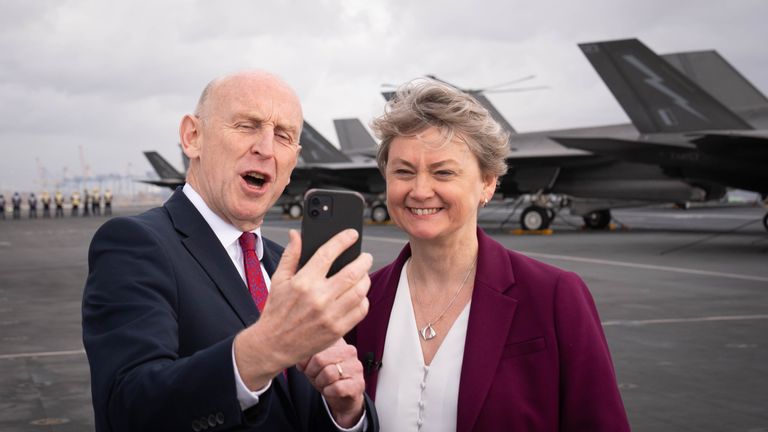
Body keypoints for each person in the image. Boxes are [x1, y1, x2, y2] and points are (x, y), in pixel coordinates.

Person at [82, 71, 378, 432]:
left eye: (283, 136)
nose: (266, 148)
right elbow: (127, 409)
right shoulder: (135, 244)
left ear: (292, 163)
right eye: (246, 126)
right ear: (193, 137)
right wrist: (265, 349)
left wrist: (347, 413)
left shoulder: (285, 267)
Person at [349, 79, 630, 431]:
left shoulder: (554, 297)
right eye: (403, 171)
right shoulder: (358, 303)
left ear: (487, 183)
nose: (420, 190)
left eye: (443, 172)